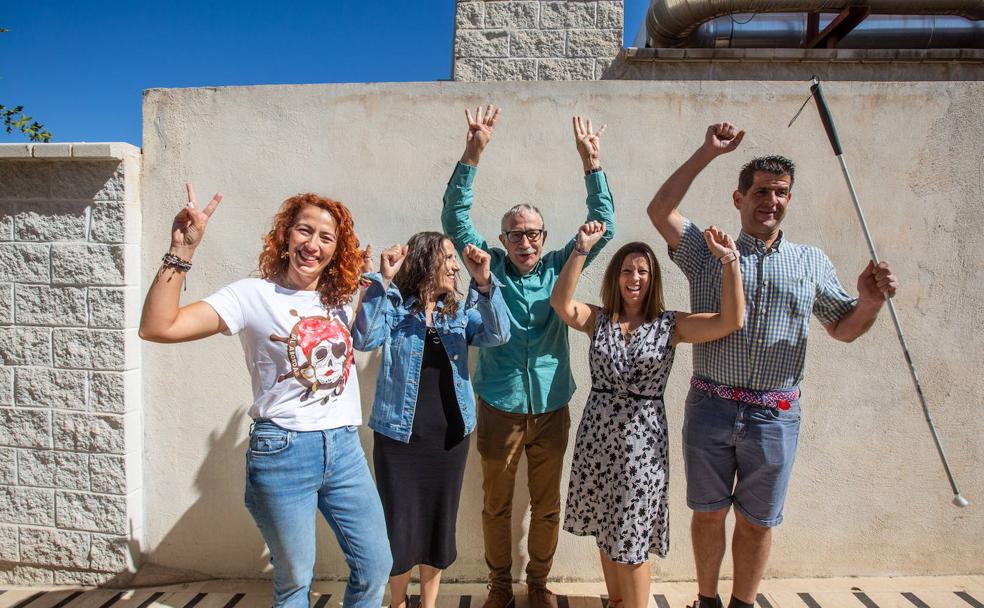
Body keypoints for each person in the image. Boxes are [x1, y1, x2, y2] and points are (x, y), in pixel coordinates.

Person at [646, 123, 899, 608]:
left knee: (759, 521)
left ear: (789, 199)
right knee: (707, 513)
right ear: (739, 198)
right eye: (760, 191)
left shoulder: (810, 262)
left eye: (781, 192)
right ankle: (707, 599)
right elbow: (660, 211)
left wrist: (868, 303)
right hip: (711, 405)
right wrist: (705, 152)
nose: (771, 200)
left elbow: (843, 327)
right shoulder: (709, 251)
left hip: (774, 413)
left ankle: (742, 603)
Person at [139, 187, 392, 608]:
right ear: (285, 236)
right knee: (295, 579)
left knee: (375, 565)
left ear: (337, 249)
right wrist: (181, 250)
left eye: (326, 238)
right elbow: (159, 326)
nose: (313, 244)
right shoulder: (250, 296)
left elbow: (366, 328)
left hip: (345, 449)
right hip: (283, 451)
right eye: (304, 231)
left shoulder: (341, 298)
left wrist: (380, 277)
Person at [441, 107, 616, 608]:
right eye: (515, 233)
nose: (525, 240)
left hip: (552, 408)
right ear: (502, 240)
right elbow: (454, 217)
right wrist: (473, 153)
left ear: (544, 237)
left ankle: (537, 584)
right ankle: (500, 585)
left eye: (533, 232)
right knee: (497, 505)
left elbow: (601, 225)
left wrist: (592, 165)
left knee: (546, 506)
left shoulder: (562, 264)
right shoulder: (485, 263)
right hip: (498, 406)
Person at [551, 221, 744, 608]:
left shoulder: (670, 325)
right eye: (627, 270)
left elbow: (730, 321)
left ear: (652, 279)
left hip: (642, 446)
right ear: (616, 276)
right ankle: (618, 602)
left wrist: (730, 263)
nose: (634, 277)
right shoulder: (598, 319)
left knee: (631, 538)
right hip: (597, 439)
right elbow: (561, 303)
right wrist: (580, 250)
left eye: (642, 271)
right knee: (607, 528)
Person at [352, 233, 510, 608]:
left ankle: (429, 603)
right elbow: (364, 337)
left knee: (440, 522)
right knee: (399, 524)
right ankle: (397, 602)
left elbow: (499, 333)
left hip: (449, 438)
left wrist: (484, 281)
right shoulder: (396, 309)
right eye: (450, 259)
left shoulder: (458, 312)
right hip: (399, 436)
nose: (456, 266)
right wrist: (383, 280)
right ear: (426, 261)